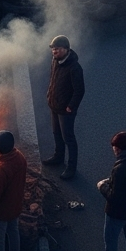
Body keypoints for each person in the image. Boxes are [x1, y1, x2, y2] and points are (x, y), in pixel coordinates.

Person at [42, 36, 85, 180]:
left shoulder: (74, 68)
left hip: (66, 110)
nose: (54, 51)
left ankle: (71, 168)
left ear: (66, 49)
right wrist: (50, 95)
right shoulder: (55, 61)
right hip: (54, 105)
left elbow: (80, 90)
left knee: (69, 138)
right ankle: (58, 157)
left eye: (58, 49)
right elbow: (52, 79)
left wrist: (70, 106)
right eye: (53, 49)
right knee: (56, 134)